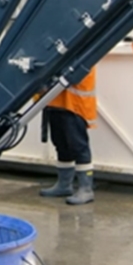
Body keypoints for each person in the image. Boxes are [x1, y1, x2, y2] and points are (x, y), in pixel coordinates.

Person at [39, 68, 96, 205]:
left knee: (78, 145)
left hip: (74, 104)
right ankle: (64, 185)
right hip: (55, 101)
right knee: (61, 144)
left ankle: (86, 189)